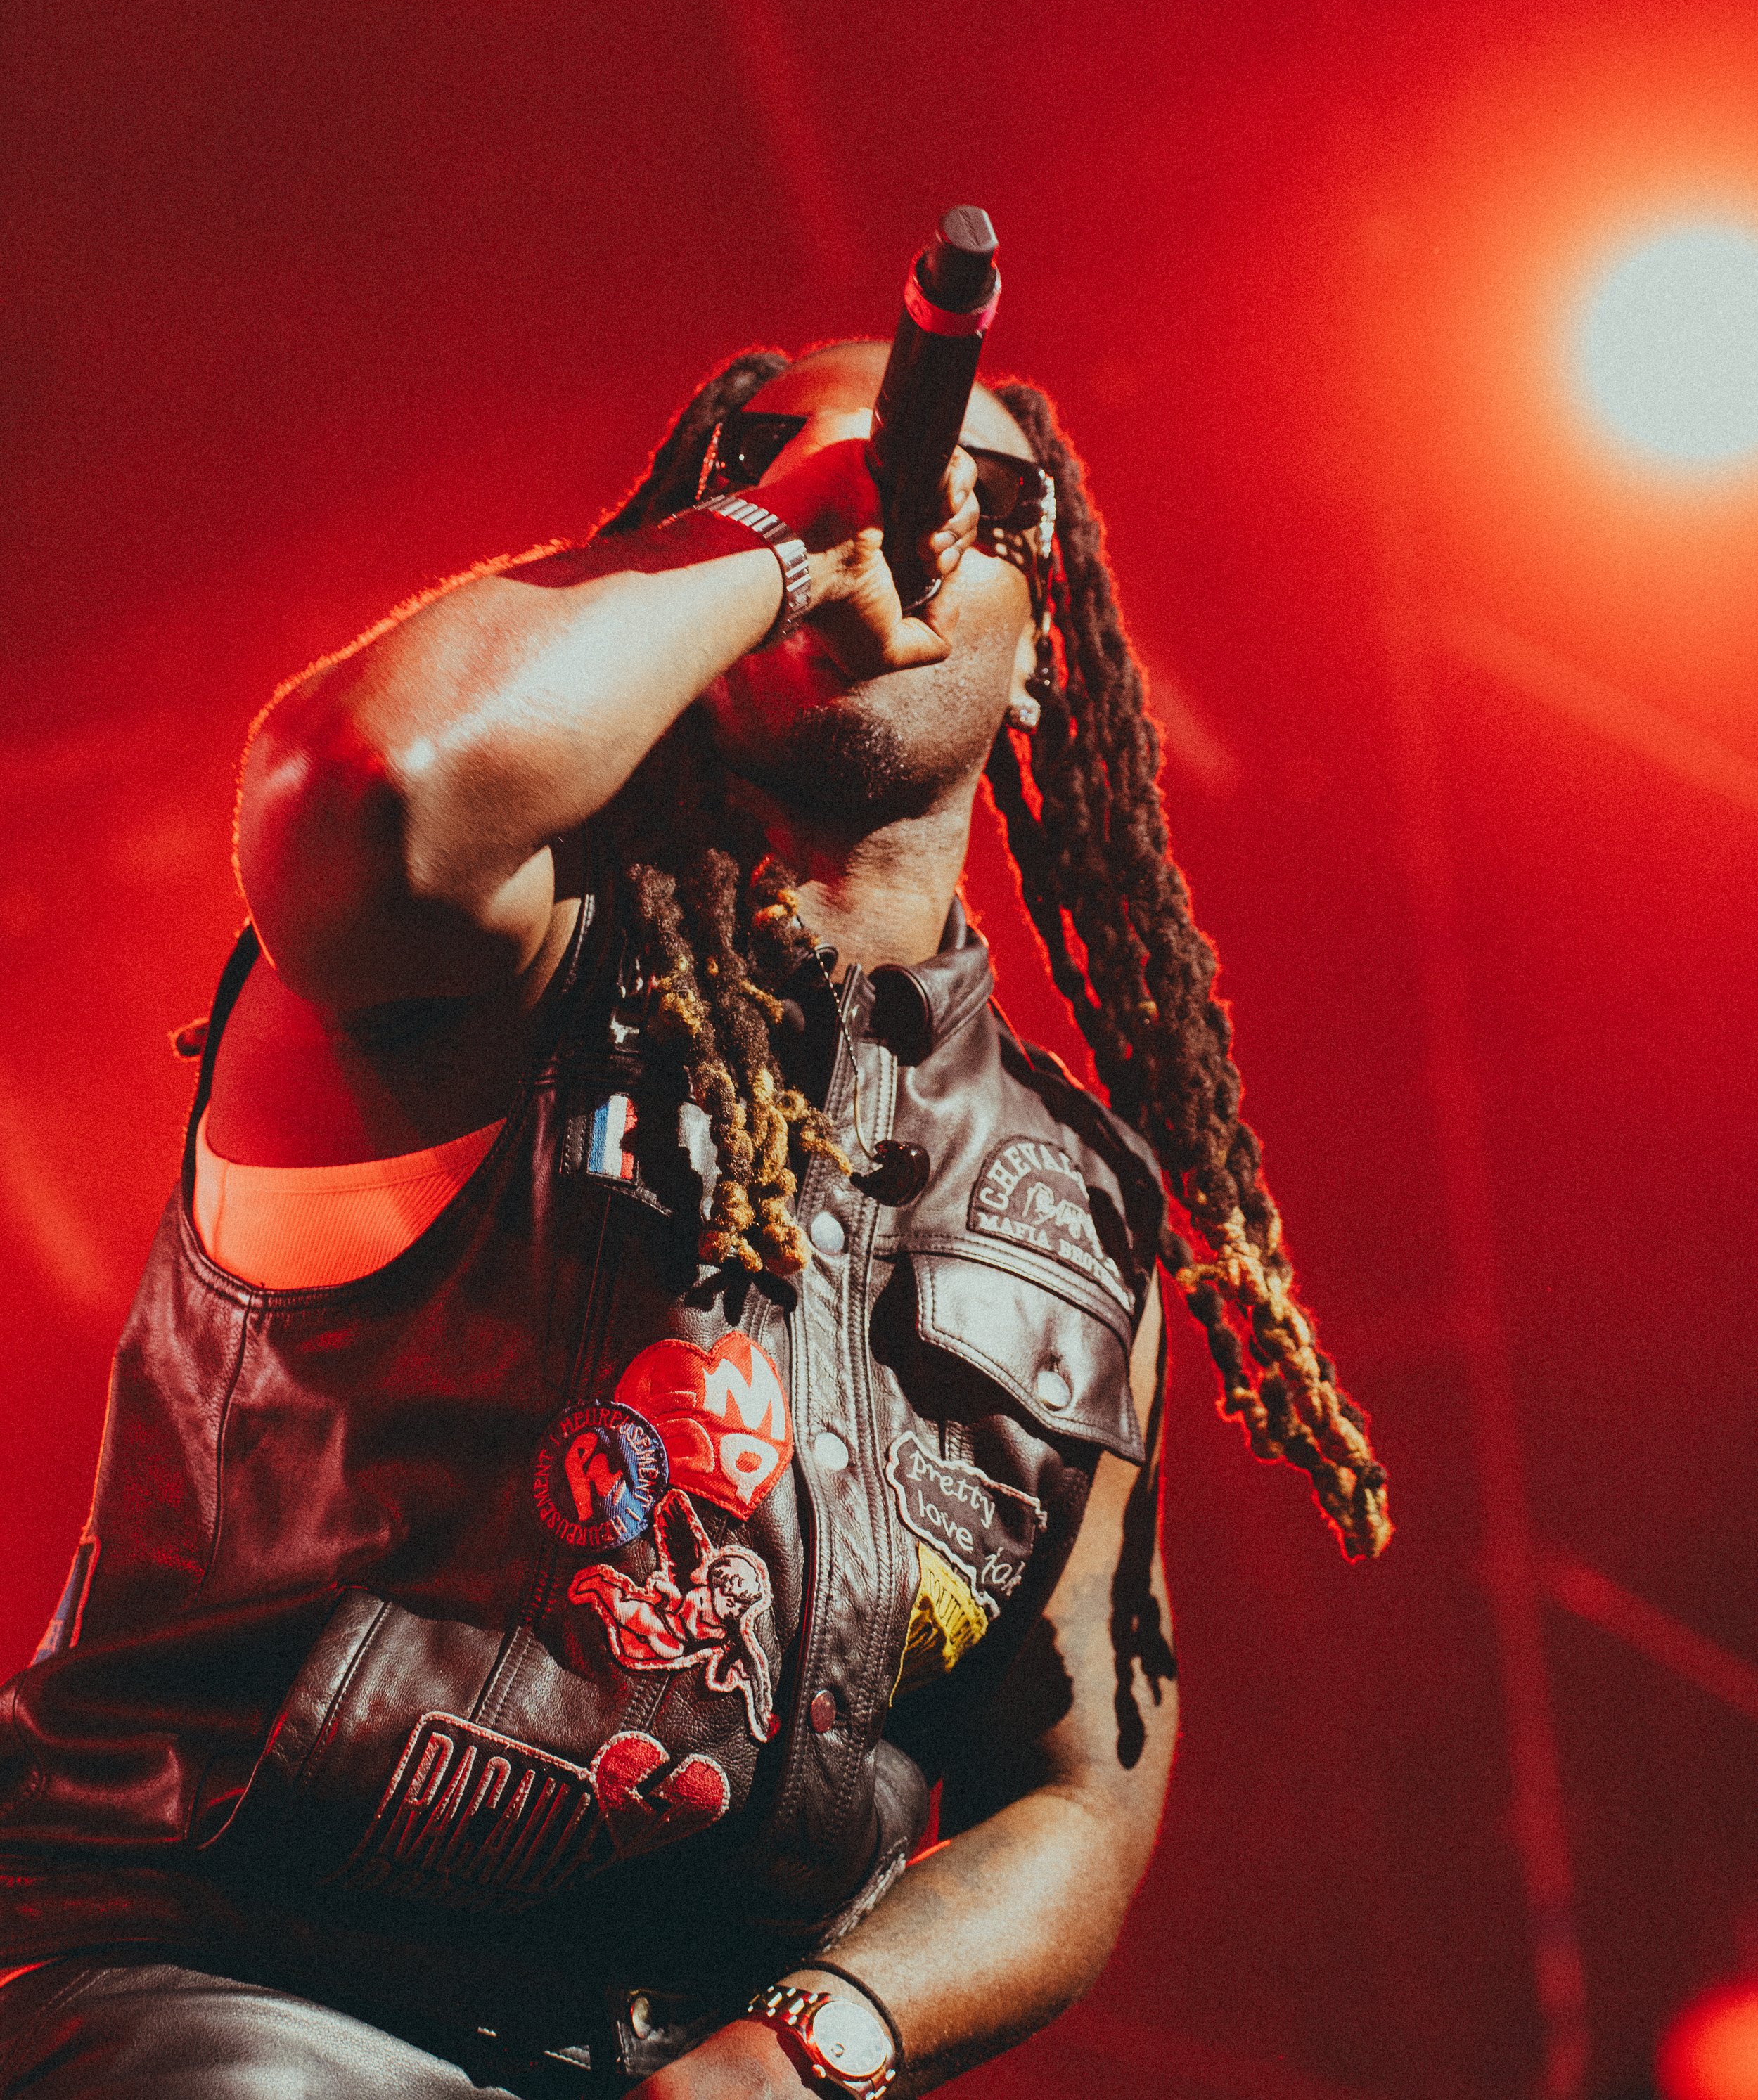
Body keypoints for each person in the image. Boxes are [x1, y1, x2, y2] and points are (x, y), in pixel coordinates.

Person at [0, 339, 1389, 2099]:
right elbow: (372, 787)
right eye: (780, 457)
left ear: (1047, 658)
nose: (885, 496)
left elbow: (1074, 1793)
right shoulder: (489, 963)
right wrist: (771, 537)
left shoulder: (1073, 1193)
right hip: (238, 1999)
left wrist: (808, 2047)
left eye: (975, 496)